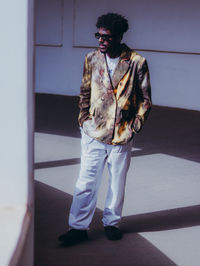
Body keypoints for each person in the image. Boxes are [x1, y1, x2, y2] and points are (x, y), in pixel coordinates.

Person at [59, 13, 152, 246]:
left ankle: (112, 222)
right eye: (98, 35)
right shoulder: (91, 58)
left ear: (120, 37)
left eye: (106, 37)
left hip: (122, 134)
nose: (101, 40)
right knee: (86, 182)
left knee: (117, 182)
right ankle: (78, 227)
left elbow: (145, 100)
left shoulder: (136, 62)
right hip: (93, 132)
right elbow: (84, 92)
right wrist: (83, 119)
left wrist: (134, 127)